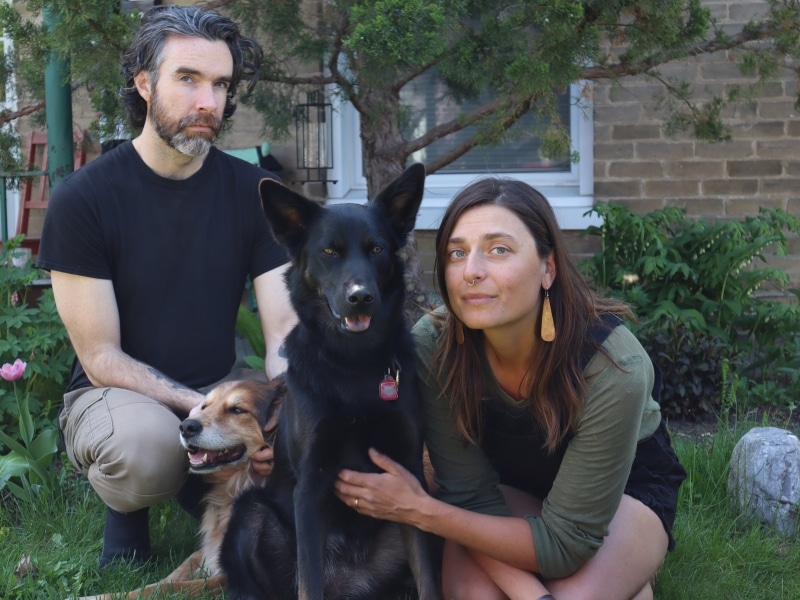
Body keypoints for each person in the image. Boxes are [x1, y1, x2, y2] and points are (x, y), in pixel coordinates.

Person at [334, 178, 687, 599]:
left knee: (571, 584)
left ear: (547, 268)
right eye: (457, 252)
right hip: (503, 490)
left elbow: (565, 544)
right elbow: (468, 493)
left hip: (617, 497)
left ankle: (630, 568)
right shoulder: (433, 345)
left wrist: (422, 511)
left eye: (498, 250)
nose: (472, 272)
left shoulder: (614, 366)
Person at [36, 5, 296, 567]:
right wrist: (206, 414)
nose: (209, 103)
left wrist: (287, 412)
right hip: (110, 396)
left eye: (221, 84)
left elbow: (282, 335)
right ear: (144, 84)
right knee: (147, 449)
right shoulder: (84, 199)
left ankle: (208, 492)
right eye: (188, 79)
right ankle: (128, 513)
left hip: (218, 391)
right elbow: (101, 356)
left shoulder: (255, 193)